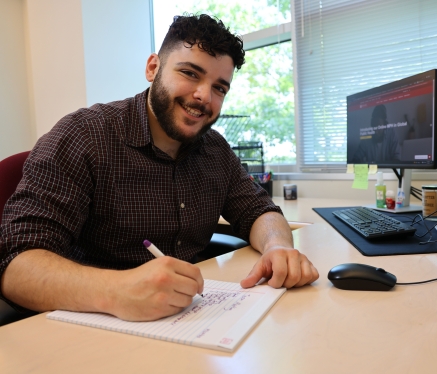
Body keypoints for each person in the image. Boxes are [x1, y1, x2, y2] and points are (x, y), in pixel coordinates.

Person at [0, 14, 319, 322]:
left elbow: (259, 209)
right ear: (153, 68)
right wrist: (116, 291)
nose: (203, 96)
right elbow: (15, 266)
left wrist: (278, 247)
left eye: (219, 87)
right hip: (91, 324)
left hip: (191, 320)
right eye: (191, 73)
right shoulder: (84, 136)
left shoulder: (215, 150)